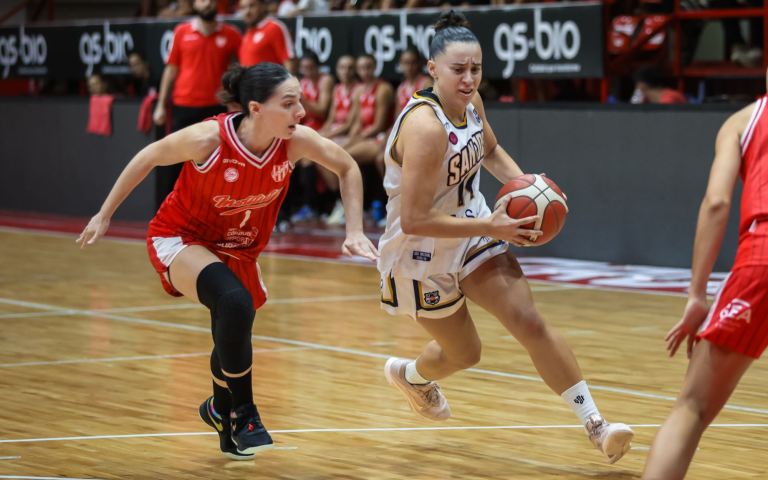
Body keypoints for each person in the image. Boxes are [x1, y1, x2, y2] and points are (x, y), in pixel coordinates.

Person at [77, 63, 378, 459]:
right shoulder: (208, 139)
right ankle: (245, 411)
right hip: (181, 237)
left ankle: (219, 408)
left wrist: (353, 230)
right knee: (233, 302)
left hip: (240, 249)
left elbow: (347, 167)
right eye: (289, 104)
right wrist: (104, 214)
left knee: (235, 322)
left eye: (300, 102)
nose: (301, 112)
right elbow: (148, 156)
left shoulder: (295, 141)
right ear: (256, 108)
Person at [377, 11, 634, 465]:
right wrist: (492, 226)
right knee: (465, 353)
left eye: (476, 68)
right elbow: (416, 219)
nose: (469, 78)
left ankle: (597, 425)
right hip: (417, 253)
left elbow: (491, 150)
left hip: (473, 228)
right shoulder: (425, 126)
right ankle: (413, 376)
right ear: (432, 68)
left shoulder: (472, 104)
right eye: (458, 69)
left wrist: (532, 193)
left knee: (528, 320)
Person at [641, 74, 768, 480]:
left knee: (691, 409)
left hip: (761, 257)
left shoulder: (743, 121)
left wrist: (698, 294)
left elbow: (716, 202)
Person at [153, 0, 241, 211]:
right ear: (195, 4)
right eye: (202, 0)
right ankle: (166, 209)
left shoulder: (231, 34)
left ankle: (213, 210)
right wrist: (160, 105)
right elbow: (171, 69)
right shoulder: (182, 31)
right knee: (174, 158)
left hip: (215, 109)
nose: (207, 3)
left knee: (216, 162)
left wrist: (235, 101)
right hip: (184, 105)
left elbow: (239, 70)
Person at [238, 0, 294, 71]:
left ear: (263, 6)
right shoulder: (247, 33)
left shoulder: (274, 28)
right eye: (243, 8)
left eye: (252, 6)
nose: (247, 12)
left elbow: (290, 65)